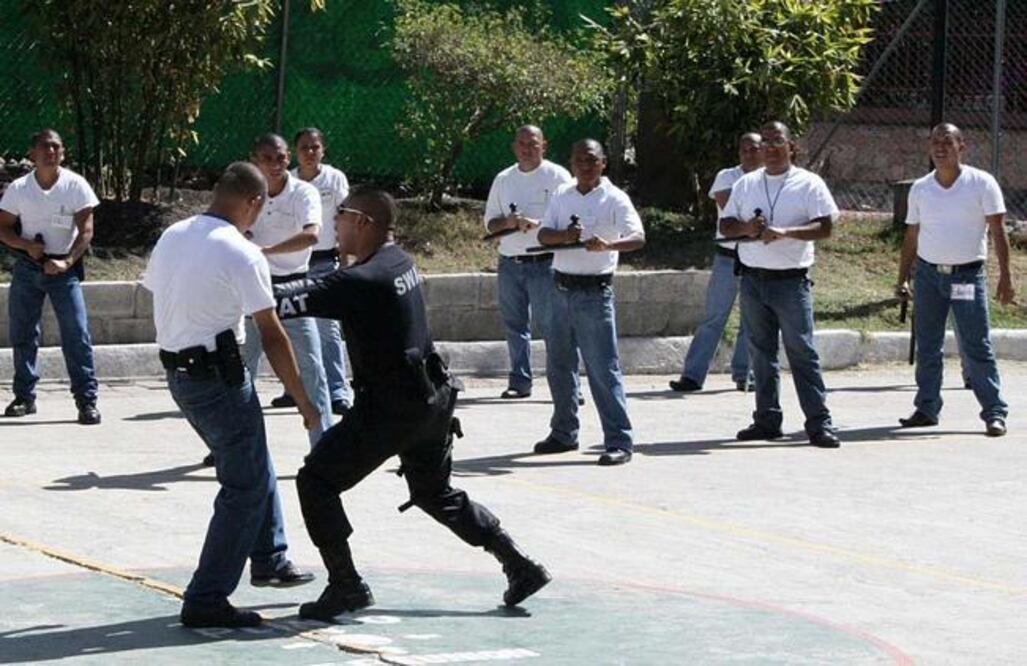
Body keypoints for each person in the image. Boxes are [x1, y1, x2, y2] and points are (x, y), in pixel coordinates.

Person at [273, 186, 551, 619]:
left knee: (316, 482)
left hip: (391, 409)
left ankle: (345, 584)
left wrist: (236, 283)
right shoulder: (397, 260)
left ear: (363, 223)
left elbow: (288, 299)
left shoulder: (363, 279)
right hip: (431, 399)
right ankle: (518, 563)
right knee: (433, 492)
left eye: (342, 215)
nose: (335, 223)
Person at [143, 162, 317, 628]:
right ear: (255, 203)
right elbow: (273, 333)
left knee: (252, 462)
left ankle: (270, 557)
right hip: (217, 377)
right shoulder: (242, 252)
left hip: (181, 374)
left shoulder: (174, 234)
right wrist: (303, 398)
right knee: (243, 486)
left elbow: (160, 293)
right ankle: (206, 597)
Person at [719, 121, 840, 449]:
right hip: (753, 279)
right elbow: (725, 224)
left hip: (790, 281)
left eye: (778, 142)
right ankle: (767, 419)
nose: (770, 148)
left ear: (792, 147)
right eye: (766, 143)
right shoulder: (746, 184)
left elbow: (825, 227)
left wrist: (785, 233)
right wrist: (746, 227)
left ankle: (819, 423)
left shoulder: (808, 183)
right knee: (761, 353)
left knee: (802, 351)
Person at [895, 123, 1014, 437]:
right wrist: (903, 277)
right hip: (929, 276)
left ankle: (994, 412)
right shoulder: (921, 188)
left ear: (962, 146)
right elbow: (911, 235)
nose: (940, 148)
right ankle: (926, 407)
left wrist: (1006, 276)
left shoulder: (981, 183)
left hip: (966, 277)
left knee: (975, 345)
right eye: (935, 142)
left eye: (947, 142)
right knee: (928, 345)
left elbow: (998, 231)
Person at [531, 139, 645, 466]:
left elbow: (638, 237)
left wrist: (610, 244)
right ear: (571, 162)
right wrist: (565, 237)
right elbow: (543, 236)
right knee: (559, 365)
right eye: (579, 159)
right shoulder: (562, 195)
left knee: (602, 368)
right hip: (560, 289)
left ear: (603, 163)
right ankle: (564, 432)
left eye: (591, 160)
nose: (585, 165)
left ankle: (619, 440)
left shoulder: (615, 198)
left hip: (594, 293)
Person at [0, 129, 101, 425]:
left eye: (56, 147)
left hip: (64, 271)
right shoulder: (19, 188)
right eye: (45, 147)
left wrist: (67, 261)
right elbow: (3, 228)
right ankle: (24, 397)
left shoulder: (75, 186)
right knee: (23, 333)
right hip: (28, 268)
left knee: (76, 334)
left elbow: (86, 230)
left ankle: (86, 401)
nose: (51, 152)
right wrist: (26, 246)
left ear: (63, 153)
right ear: (32, 154)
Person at [243, 133, 333, 447]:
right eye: (266, 158)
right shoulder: (249, 193)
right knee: (243, 366)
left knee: (310, 364)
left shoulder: (304, 193)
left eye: (280, 157)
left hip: (295, 287)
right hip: (254, 286)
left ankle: (322, 443)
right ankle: (235, 442)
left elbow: (311, 236)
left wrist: (264, 250)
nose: (275, 164)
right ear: (255, 161)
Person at [268, 127, 354, 416]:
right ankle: (294, 388)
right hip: (291, 264)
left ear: (323, 150)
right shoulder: (287, 181)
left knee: (327, 328)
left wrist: (345, 258)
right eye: (304, 147)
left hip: (324, 261)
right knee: (290, 329)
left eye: (315, 147)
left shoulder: (335, 179)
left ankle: (337, 391)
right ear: (295, 153)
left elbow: (343, 220)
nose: (310, 153)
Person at [484, 125, 572, 399]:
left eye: (533, 143)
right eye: (522, 143)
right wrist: (510, 222)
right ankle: (520, 381)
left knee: (554, 326)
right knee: (515, 325)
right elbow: (490, 224)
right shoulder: (504, 179)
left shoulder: (558, 176)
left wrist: (540, 225)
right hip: (511, 262)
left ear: (544, 145)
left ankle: (569, 386)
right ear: (514, 147)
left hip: (545, 261)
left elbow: (570, 219)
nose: (527, 148)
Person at [670, 132, 762, 393]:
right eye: (744, 149)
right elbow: (727, 201)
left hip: (755, 257)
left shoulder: (768, 180)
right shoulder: (727, 175)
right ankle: (693, 375)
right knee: (713, 317)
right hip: (727, 257)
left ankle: (745, 375)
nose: (749, 154)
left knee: (751, 320)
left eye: (754, 149)